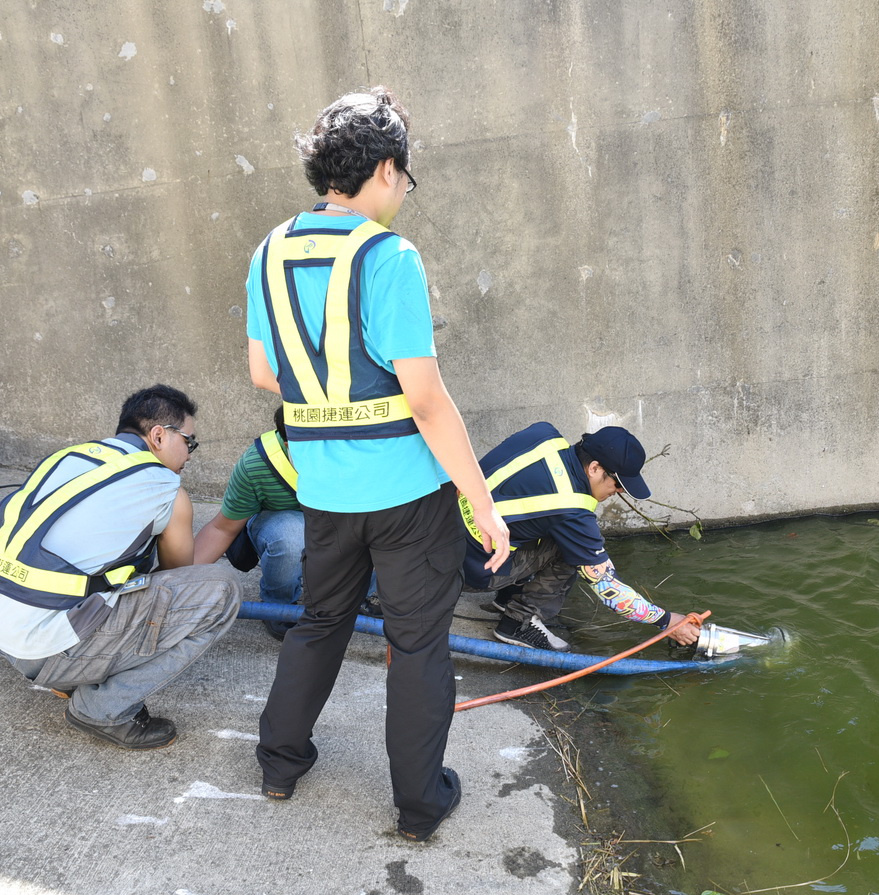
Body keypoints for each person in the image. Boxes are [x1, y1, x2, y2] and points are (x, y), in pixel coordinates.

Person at [245, 86, 509, 842]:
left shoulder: (270, 251)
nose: (402, 193)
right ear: (388, 169)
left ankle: (279, 764)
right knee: (418, 641)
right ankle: (422, 805)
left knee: (319, 621)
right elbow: (426, 400)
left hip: (324, 488)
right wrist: (480, 502)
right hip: (406, 495)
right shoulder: (389, 256)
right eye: (405, 178)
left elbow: (267, 373)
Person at [0, 384, 241, 750]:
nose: (189, 455)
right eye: (188, 443)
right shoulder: (167, 489)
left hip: (10, 638)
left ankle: (68, 678)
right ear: (159, 435)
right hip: (48, 648)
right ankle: (101, 709)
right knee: (221, 593)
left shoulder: (68, 458)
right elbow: (179, 578)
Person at [459, 422, 702, 651]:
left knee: (539, 523)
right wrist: (667, 621)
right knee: (577, 550)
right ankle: (517, 623)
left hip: (439, 537)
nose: (618, 492)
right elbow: (610, 589)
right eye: (618, 484)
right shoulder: (571, 509)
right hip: (470, 571)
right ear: (595, 468)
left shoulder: (542, 435)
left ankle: (507, 597)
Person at [193, 407, 377, 639]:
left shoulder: (361, 453)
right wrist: (176, 582)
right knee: (291, 537)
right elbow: (222, 528)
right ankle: (279, 609)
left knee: (382, 524)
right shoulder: (258, 464)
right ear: (292, 444)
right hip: (281, 522)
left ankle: (367, 595)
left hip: (340, 521)